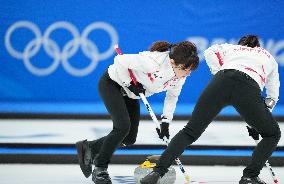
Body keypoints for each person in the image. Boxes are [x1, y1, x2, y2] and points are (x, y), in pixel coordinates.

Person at [140, 35, 281, 184]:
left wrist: (218, 72)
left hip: (221, 81)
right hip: (248, 87)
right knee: (272, 134)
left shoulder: (232, 48)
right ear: (258, 46)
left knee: (190, 131)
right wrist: (258, 123)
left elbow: (210, 51)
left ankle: (156, 173)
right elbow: (272, 96)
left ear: (243, 44)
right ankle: (249, 176)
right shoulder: (268, 56)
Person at [75, 40, 199, 184]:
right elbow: (120, 60)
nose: (188, 74)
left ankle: (89, 147)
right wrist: (128, 83)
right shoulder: (153, 62)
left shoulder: (179, 77)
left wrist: (165, 122)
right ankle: (100, 168)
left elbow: (172, 97)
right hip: (112, 84)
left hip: (131, 93)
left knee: (129, 138)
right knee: (122, 127)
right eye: (185, 69)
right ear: (172, 62)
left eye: (190, 70)